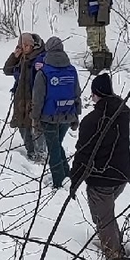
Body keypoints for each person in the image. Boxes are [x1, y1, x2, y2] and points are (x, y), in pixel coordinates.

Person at [71, 73, 130, 260]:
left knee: (102, 218)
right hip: (121, 174)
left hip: (101, 177)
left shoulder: (92, 121)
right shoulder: (122, 114)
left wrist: (75, 180)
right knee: (106, 214)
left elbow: (83, 153)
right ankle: (116, 245)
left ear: (96, 94)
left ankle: (114, 257)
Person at [30, 36, 81, 189]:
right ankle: (67, 176)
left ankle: (59, 182)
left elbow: (38, 99)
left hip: (49, 117)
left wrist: (35, 118)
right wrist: (76, 115)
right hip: (68, 114)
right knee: (57, 145)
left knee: (54, 149)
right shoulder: (72, 71)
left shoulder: (44, 72)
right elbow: (76, 93)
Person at [3, 32, 47, 161]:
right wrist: (14, 57)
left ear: (33, 45)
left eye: (27, 45)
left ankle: (41, 153)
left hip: (34, 97)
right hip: (20, 97)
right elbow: (7, 70)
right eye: (22, 45)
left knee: (36, 126)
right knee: (22, 125)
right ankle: (30, 151)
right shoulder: (20, 58)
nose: (25, 48)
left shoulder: (40, 57)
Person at [78, 0, 113, 72]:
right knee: (98, 42)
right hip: (92, 17)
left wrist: (101, 18)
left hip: (95, 18)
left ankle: (99, 68)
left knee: (96, 43)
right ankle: (104, 67)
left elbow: (104, 1)